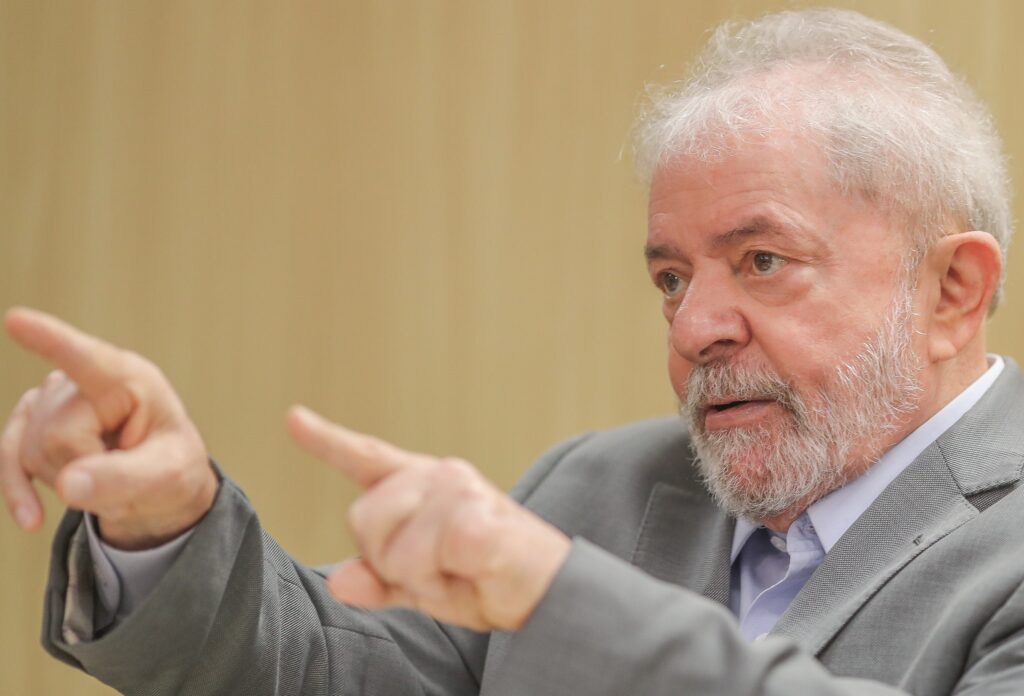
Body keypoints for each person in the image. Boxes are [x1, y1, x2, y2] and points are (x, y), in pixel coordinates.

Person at [2, 7, 1023, 695]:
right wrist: (165, 523)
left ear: (951, 291)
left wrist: (560, 595)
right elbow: (326, 669)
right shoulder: (599, 486)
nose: (691, 327)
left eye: (759, 260)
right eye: (670, 277)